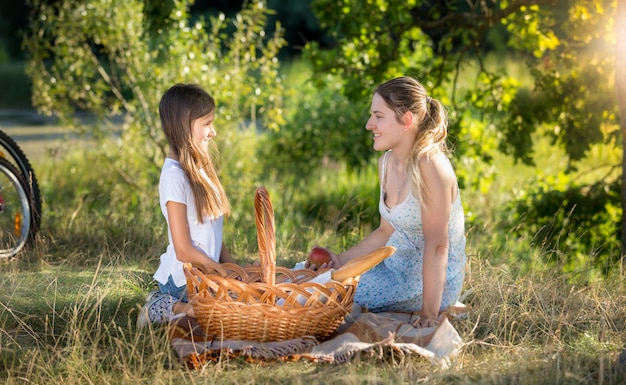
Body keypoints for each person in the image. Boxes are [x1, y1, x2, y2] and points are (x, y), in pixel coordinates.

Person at [310, 76, 467, 329]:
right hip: (392, 269)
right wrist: (341, 259)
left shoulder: (431, 167)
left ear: (406, 120)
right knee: (305, 276)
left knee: (323, 293)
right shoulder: (386, 163)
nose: (369, 124)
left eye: (378, 116)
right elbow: (386, 231)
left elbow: (438, 248)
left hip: (426, 283)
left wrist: (428, 316)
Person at [137, 83, 235, 329]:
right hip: (184, 280)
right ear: (184, 126)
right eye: (206, 124)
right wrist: (218, 271)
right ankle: (164, 305)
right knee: (221, 316)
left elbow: (211, 228)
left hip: (206, 276)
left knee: (249, 301)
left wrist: (232, 268)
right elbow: (183, 249)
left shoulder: (200, 168)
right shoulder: (173, 176)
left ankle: (193, 304)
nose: (213, 132)